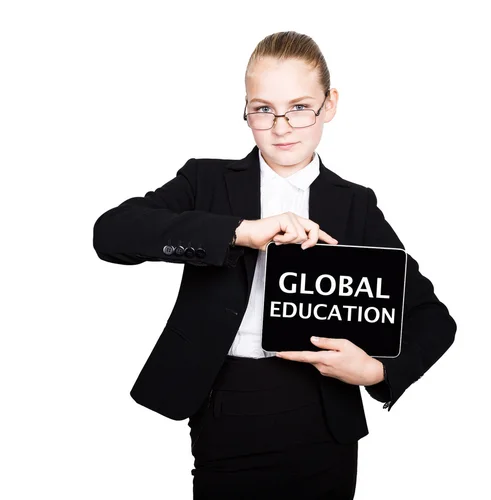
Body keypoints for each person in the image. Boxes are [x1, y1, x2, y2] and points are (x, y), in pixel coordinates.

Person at [93, 31, 457, 500]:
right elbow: (112, 233)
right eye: (263, 108)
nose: (282, 126)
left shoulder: (355, 206)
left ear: (329, 105)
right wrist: (239, 232)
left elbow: (433, 319)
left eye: (300, 107)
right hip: (227, 407)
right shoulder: (205, 180)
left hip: (324, 417)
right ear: (245, 109)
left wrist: (377, 373)